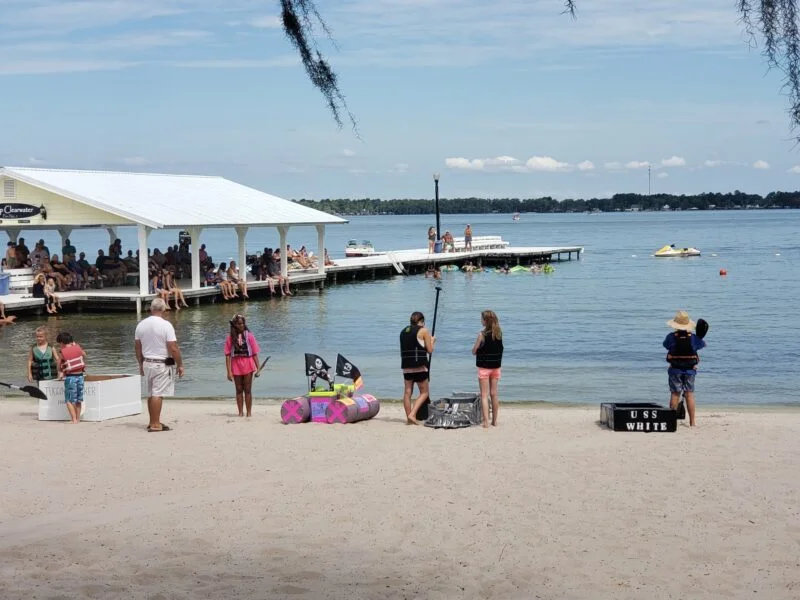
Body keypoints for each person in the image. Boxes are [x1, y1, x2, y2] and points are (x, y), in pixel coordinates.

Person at [134, 298, 184, 432]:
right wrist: (180, 364)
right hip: (161, 363)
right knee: (158, 393)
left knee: (151, 393)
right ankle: (156, 423)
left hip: (147, 362)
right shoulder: (166, 325)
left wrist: (140, 363)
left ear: (151, 309)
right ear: (164, 310)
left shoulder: (141, 325)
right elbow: (173, 348)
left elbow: (138, 347)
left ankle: (152, 421)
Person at [663, 310, 706, 427]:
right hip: (690, 370)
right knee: (689, 394)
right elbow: (703, 344)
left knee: (675, 394)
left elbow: (666, 345)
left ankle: (671, 423)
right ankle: (692, 423)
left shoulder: (671, 337)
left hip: (675, 369)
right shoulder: (694, 338)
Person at [400, 311, 435, 425]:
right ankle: (413, 414)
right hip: (420, 366)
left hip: (406, 366)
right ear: (422, 321)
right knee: (424, 392)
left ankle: (409, 418)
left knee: (407, 392)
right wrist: (432, 341)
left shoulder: (403, 331)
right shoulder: (423, 331)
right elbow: (429, 350)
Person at [471, 310, 504, 428]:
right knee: (494, 394)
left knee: (484, 395)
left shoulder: (482, 335)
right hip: (496, 367)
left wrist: (477, 349)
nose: (480, 321)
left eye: (482, 319)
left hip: (484, 367)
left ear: (486, 321)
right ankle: (494, 421)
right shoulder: (499, 333)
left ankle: (485, 422)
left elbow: (474, 351)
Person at [224, 314, 261, 417]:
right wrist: (228, 371)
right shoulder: (230, 338)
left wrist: (258, 368)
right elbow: (227, 355)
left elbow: (254, 353)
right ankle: (240, 412)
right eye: (239, 324)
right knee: (239, 390)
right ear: (235, 325)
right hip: (236, 365)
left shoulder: (249, 336)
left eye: (243, 323)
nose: (242, 325)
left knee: (248, 390)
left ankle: (249, 413)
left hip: (248, 364)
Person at [57, 332, 87, 424]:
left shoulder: (63, 352)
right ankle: (78, 419)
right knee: (78, 399)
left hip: (71, 378)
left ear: (62, 342)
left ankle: (73, 419)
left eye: (60, 343)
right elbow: (84, 354)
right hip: (80, 376)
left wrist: (60, 372)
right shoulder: (78, 348)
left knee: (69, 400)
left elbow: (59, 364)